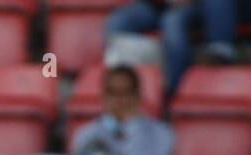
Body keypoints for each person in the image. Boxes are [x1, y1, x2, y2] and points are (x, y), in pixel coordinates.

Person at [71, 65, 174, 155]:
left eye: (126, 93)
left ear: (137, 96)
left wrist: (132, 125)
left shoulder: (162, 133)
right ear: (104, 96)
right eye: (113, 93)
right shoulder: (87, 134)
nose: (119, 100)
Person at [105, 0, 248, 94]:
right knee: (118, 22)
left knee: (172, 23)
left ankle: (172, 92)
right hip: (160, 5)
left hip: (202, 6)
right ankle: (124, 91)